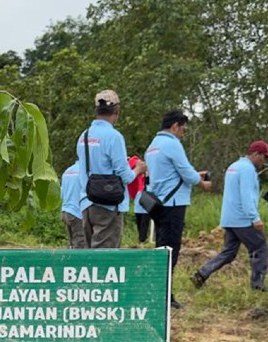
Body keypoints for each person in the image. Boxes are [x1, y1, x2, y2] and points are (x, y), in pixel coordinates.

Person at [145, 109, 213, 303]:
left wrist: (192, 174)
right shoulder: (172, 144)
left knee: (161, 248)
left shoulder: (153, 145)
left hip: (157, 203)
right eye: (183, 130)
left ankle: (158, 290)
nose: (183, 134)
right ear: (175, 126)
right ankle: (165, 296)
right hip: (173, 204)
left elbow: (167, 173)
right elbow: (187, 174)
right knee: (170, 251)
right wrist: (202, 183)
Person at [193, 140, 268, 292]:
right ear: (256, 154)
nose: (264, 161)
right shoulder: (247, 170)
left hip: (229, 218)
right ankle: (257, 286)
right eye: (263, 157)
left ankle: (202, 273)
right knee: (260, 248)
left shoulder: (234, 166)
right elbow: (246, 196)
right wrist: (254, 218)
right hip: (243, 219)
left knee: (229, 252)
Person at [77, 89, 145, 250]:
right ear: (117, 111)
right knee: (105, 258)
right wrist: (138, 169)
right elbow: (125, 176)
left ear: (96, 111)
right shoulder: (114, 137)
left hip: (86, 201)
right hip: (107, 205)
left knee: (89, 256)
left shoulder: (84, 136)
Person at [60, 161, 86, 249]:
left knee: (72, 244)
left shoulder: (67, 171)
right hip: (78, 213)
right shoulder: (84, 171)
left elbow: (62, 193)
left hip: (66, 211)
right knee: (81, 244)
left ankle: (69, 261)